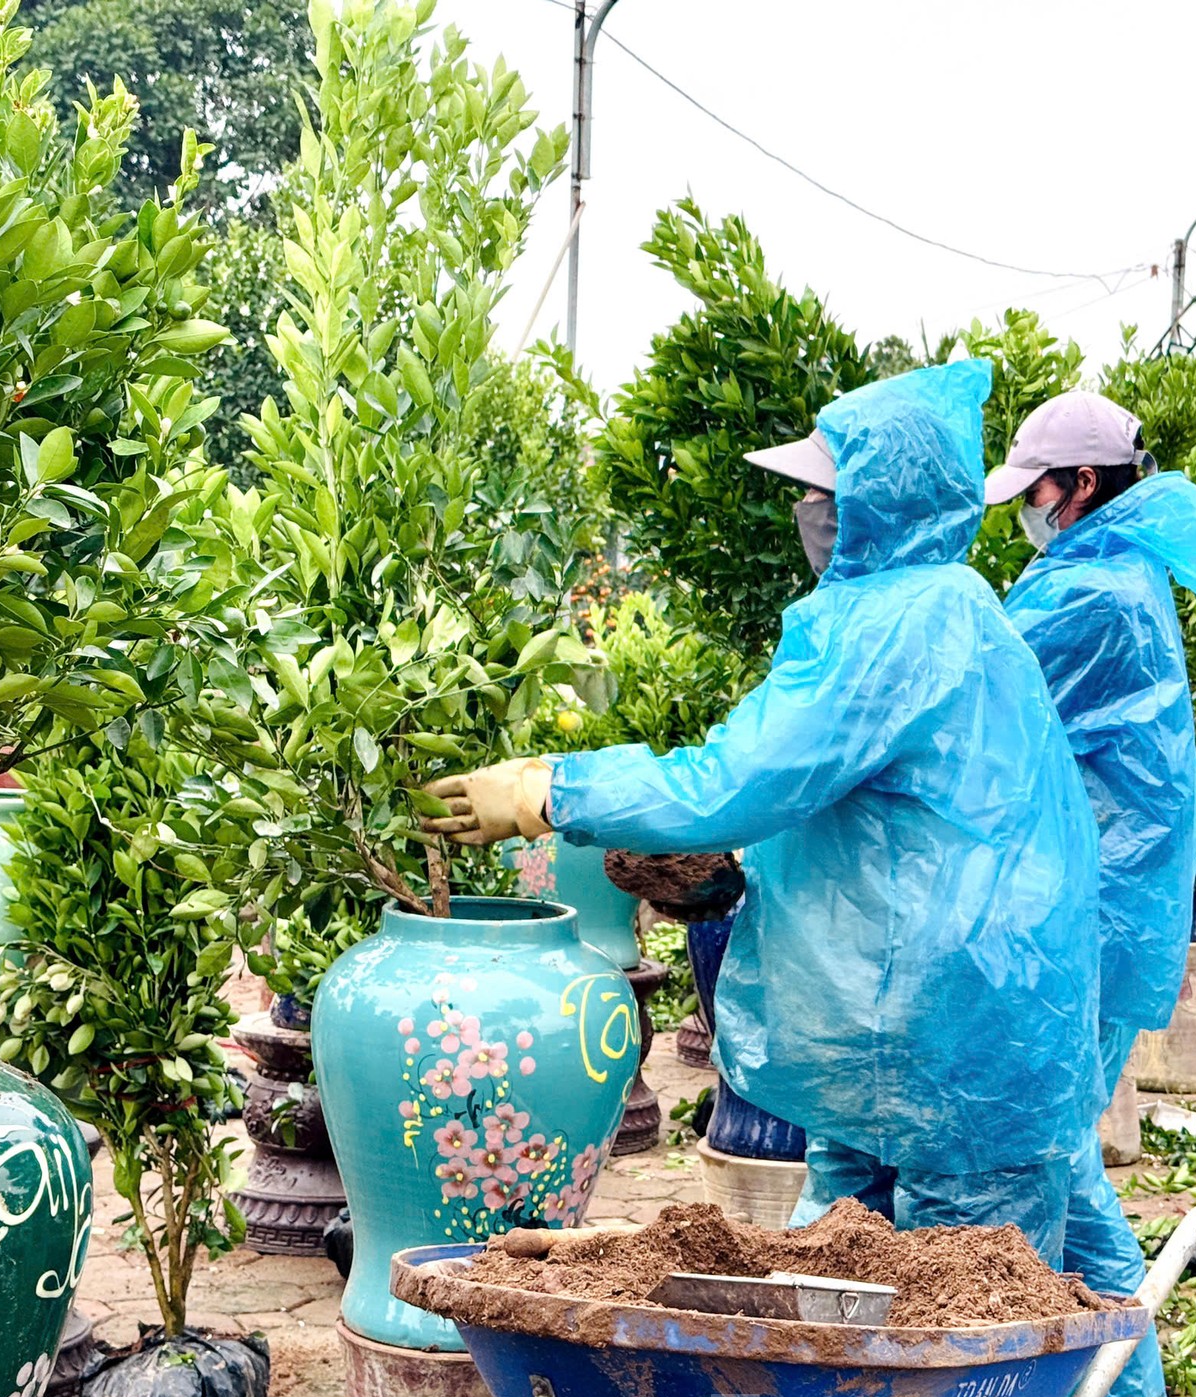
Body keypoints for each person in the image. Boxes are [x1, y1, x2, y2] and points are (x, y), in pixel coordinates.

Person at [421, 361, 1106, 1264]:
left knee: (963, 1292)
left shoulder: (889, 625)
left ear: (878, 499)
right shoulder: (950, 604)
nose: (809, 511)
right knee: (969, 1256)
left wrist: (552, 793)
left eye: (824, 490)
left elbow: (737, 780)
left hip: (943, 1013)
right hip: (964, 997)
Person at [990, 391, 1196, 1397]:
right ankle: (1123, 1385)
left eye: (1034, 491)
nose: (1024, 509)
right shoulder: (1105, 569)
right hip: (1098, 900)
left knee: (1046, 1144)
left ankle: (1104, 1381)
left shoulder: (1090, 593)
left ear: (1081, 487)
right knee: (1061, 1144)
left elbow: (974, 695)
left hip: (1082, 910)